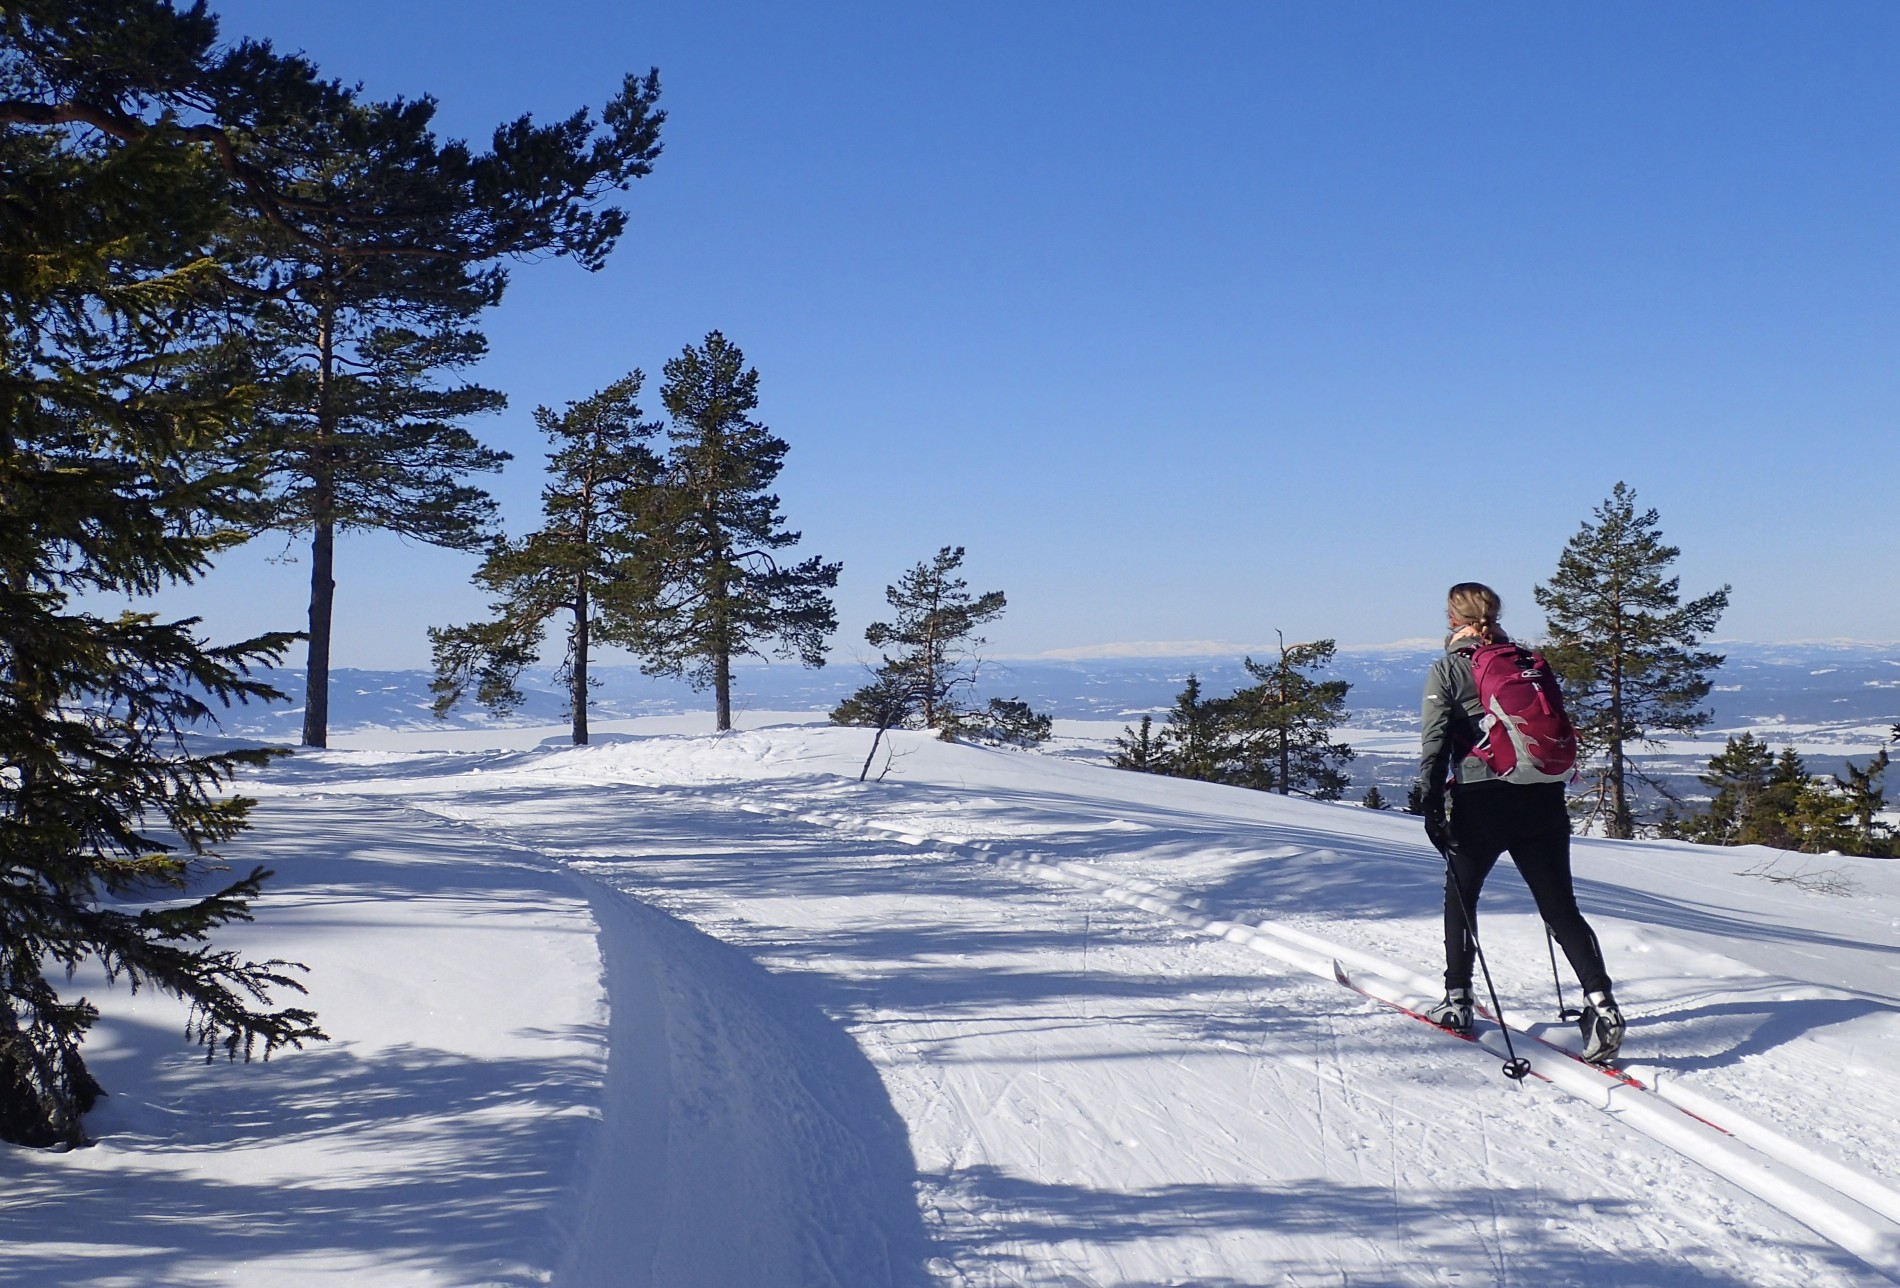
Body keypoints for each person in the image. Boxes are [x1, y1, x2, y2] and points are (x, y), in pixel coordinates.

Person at [1415, 582, 1624, 1065]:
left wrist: (1430, 802)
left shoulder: (1449, 669)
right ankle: (1603, 1005)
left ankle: (1458, 1000)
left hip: (1481, 801)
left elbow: (1435, 742)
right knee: (1560, 908)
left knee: (1461, 896)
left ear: (1452, 618)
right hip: (1543, 799)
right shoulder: (1527, 662)